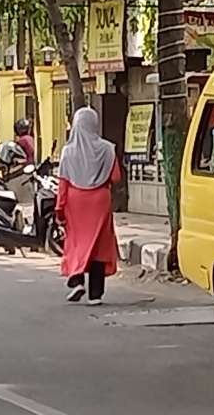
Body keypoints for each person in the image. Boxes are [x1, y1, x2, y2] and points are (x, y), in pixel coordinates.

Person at [55, 107, 122, 305]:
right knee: (98, 247)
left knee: (77, 242)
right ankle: (95, 295)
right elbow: (116, 177)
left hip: (76, 203)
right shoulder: (107, 148)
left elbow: (63, 183)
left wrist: (60, 208)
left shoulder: (68, 151)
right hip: (100, 201)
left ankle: (76, 280)